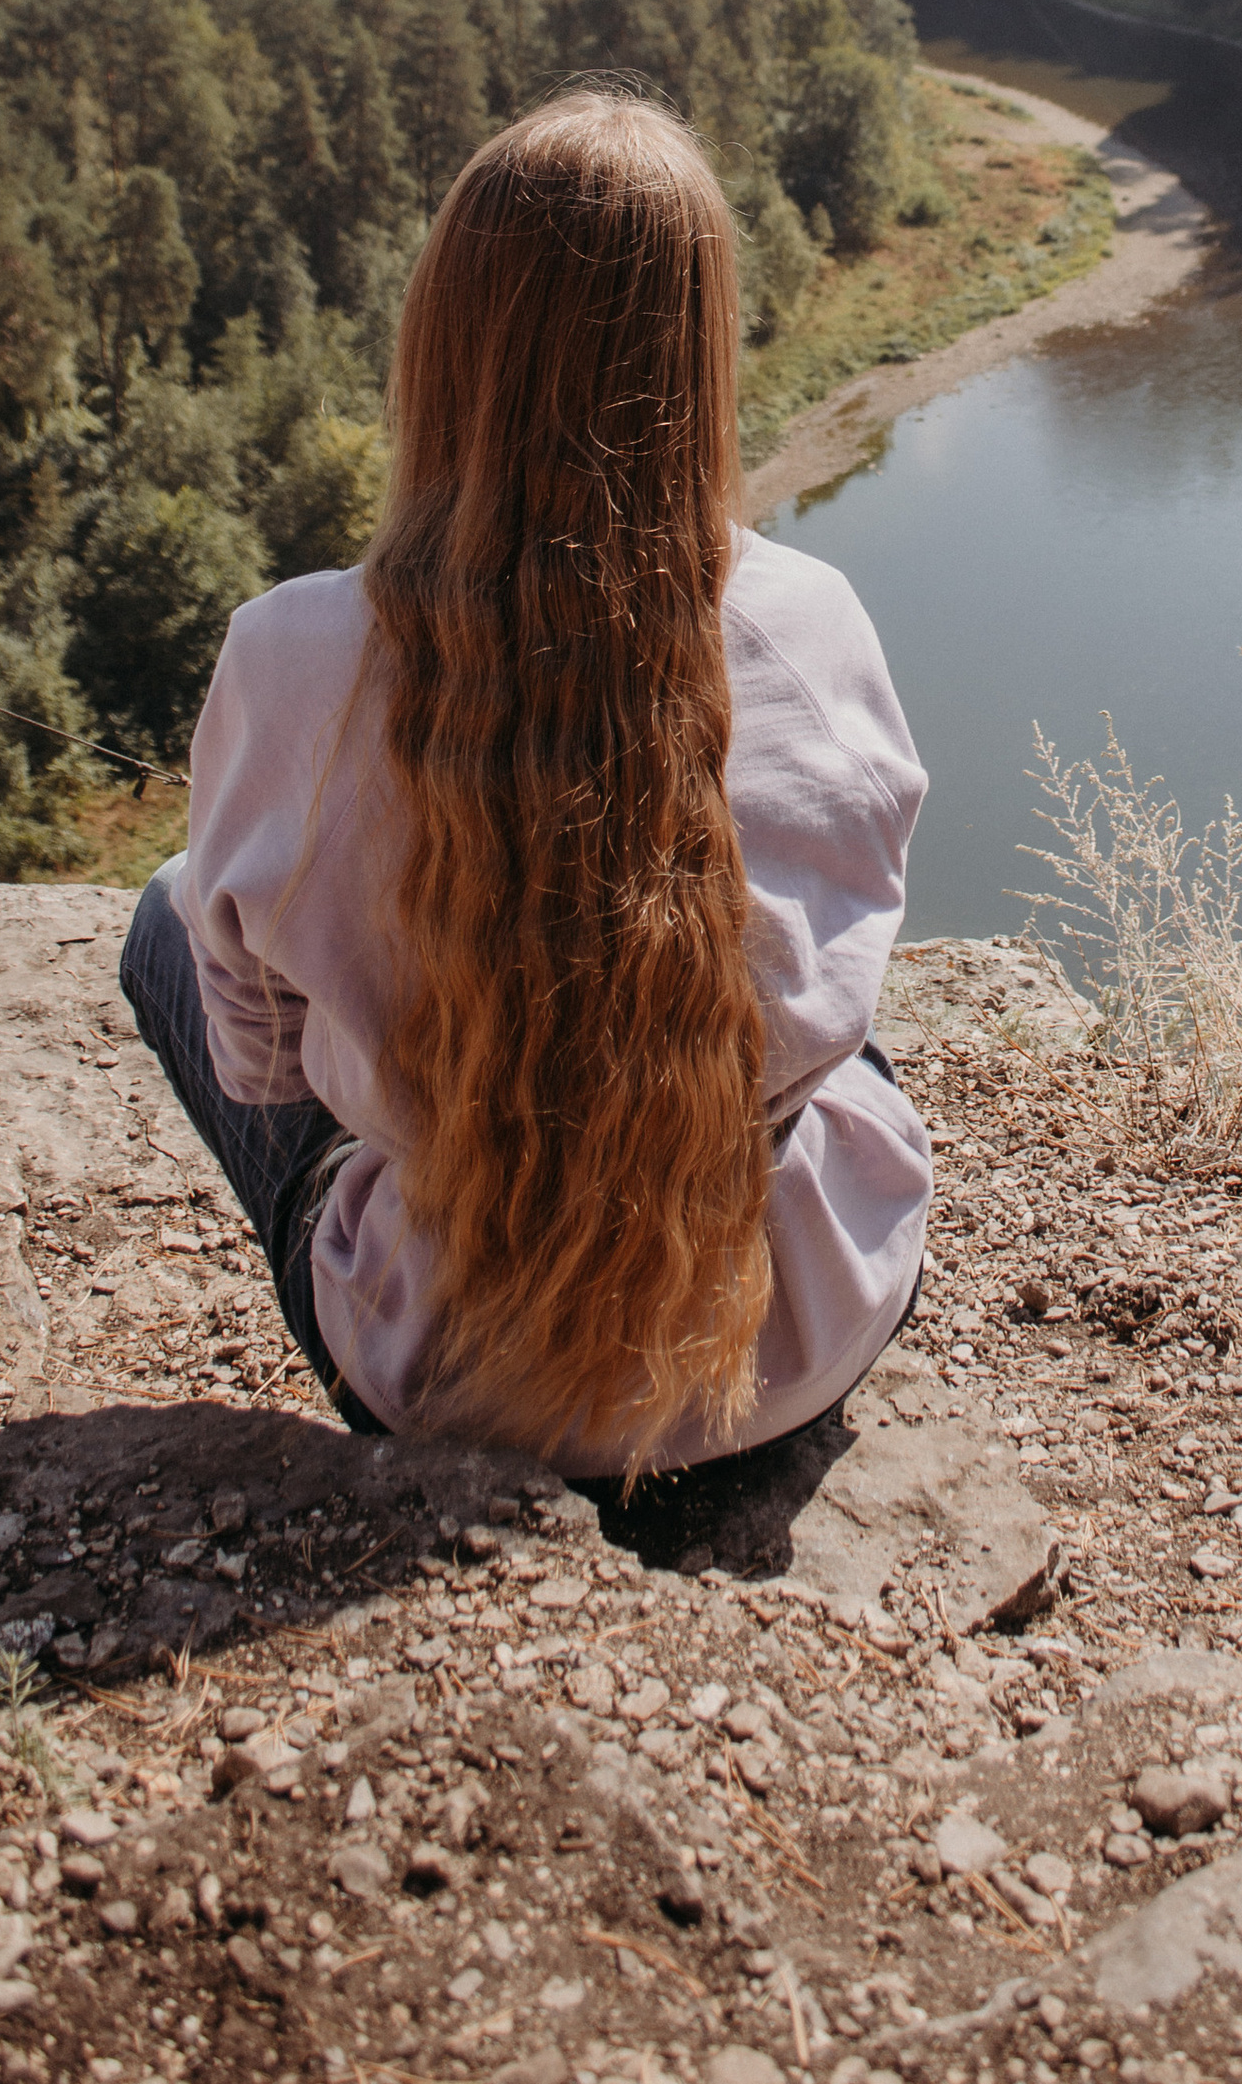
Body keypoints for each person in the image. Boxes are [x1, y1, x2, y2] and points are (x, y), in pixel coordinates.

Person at [117, 82, 931, 1481]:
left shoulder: (289, 654)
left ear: (446, 340)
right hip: (778, 1351)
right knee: (835, 1037)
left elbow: (256, 1063)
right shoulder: (814, 623)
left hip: (437, 1366)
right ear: (699, 354)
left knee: (165, 912)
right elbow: (842, 968)